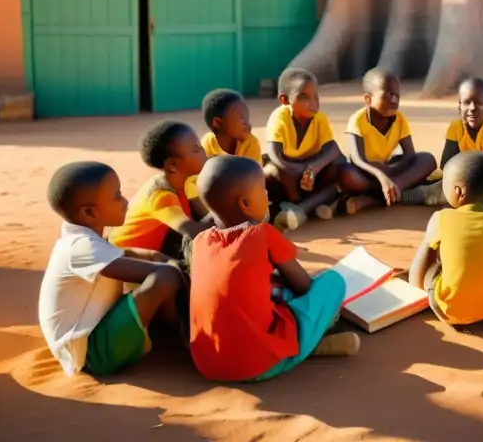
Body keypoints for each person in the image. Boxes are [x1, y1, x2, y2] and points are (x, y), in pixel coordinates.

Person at [188, 156, 359, 382]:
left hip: (209, 365)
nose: (268, 195)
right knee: (332, 281)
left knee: (272, 288)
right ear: (245, 204)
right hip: (258, 365)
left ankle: (306, 346)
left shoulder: (199, 242)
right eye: (263, 190)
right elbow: (303, 285)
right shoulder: (261, 234)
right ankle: (307, 344)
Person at [39, 162, 184, 377]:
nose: (126, 202)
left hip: (99, 338)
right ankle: (174, 335)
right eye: (117, 196)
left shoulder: (87, 240)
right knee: (164, 277)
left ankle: (164, 333)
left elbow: (137, 255)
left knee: (161, 269)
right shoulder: (80, 246)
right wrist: (179, 270)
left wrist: (162, 258)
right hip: (92, 354)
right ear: (88, 213)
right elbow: (152, 273)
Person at [409, 151, 483, 326]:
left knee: (432, 258)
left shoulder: (441, 218)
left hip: (449, 310)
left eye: (444, 183)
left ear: (459, 192)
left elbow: (426, 260)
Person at [264, 68, 371, 231]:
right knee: (270, 173)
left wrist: (313, 168)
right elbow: (275, 156)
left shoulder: (319, 119)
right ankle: (308, 205)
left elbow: (333, 149)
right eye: (303, 97)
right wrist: (302, 171)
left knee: (352, 178)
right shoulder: (279, 119)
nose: (313, 103)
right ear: (285, 100)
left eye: (316, 96)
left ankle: (300, 210)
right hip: (292, 174)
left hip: (317, 172)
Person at [110, 121, 211, 258]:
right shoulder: (160, 195)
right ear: (173, 165)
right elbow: (192, 231)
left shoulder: (185, 183)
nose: (203, 151)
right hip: (127, 256)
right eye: (196, 148)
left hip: (159, 244)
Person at [344, 68, 439, 214]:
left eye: (396, 95)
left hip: (390, 170)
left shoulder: (399, 119)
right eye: (388, 94)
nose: (394, 100)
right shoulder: (357, 120)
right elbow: (357, 160)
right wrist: (381, 175)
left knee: (427, 160)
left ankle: (377, 197)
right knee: (349, 176)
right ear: (368, 99)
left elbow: (410, 155)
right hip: (367, 171)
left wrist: (391, 169)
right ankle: (397, 191)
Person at [200, 88, 263, 162]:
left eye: (246, 116)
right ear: (217, 122)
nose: (247, 123)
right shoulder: (209, 143)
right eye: (240, 117)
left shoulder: (250, 143)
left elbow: (253, 172)